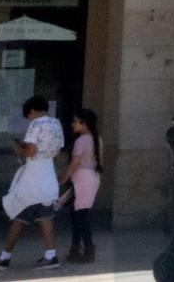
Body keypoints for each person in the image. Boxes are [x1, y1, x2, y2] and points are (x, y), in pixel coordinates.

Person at [0, 96, 63, 270]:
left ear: (32, 111)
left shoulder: (35, 125)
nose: (28, 118)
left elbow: (30, 152)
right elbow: (58, 151)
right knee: (46, 217)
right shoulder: (56, 124)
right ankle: (51, 255)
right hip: (48, 175)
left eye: (28, 115)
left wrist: (19, 148)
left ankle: (4, 257)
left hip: (33, 177)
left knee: (19, 214)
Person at [60, 109, 102, 264]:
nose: (73, 124)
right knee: (79, 215)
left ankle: (87, 248)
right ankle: (76, 248)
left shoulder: (82, 140)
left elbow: (75, 162)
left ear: (83, 123)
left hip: (82, 178)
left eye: (75, 121)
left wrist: (65, 178)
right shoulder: (96, 139)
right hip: (91, 177)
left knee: (80, 217)